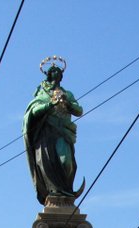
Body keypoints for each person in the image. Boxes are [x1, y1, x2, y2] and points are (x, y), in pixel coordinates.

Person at [23, 56, 84, 205]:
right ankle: (55, 194)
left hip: (63, 132)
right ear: (49, 74)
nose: (56, 74)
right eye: (53, 71)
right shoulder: (42, 93)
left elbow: (79, 110)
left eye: (59, 72)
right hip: (46, 134)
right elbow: (34, 111)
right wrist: (50, 105)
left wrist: (67, 103)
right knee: (47, 164)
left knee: (66, 162)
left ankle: (65, 192)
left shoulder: (67, 93)